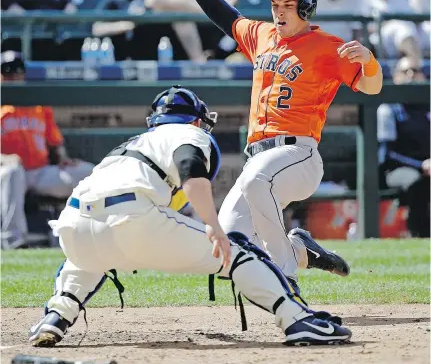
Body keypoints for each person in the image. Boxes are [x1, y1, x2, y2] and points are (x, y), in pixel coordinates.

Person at [28, 85, 352, 347]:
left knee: (88, 258)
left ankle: (56, 316)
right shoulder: (190, 133)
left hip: (73, 224)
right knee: (238, 255)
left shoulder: (131, 144)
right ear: (197, 120)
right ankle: (297, 320)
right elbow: (191, 169)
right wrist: (213, 227)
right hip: (134, 216)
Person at [172, 0, 382, 286]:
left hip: (298, 156)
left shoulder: (328, 47)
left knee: (257, 180)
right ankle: (301, 250)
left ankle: (287, 281)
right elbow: (227, 17)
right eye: (275, 3)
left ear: (305, 7)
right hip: (258, 159)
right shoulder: (262, 35)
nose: (279, 10)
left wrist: (370, 62)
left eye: (288, 4)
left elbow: (371, 88)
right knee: (230, 245)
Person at [1, 51, 94, 249]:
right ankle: (13, 241)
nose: (13, 75)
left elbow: (54, 141)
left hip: (39, 171)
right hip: (7, 171)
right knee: (12, 173)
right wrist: (4, 158)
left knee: (87, 173)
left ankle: (90, 235)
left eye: (18, 70)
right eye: (7, 70)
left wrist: (62, 158)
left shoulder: (38, 105)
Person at [377, 57, 430, 238]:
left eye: (415, 71)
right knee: (419, 183)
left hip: (428, 166)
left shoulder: (427, 108)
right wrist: (420, 165)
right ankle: (421, 235)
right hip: (398, 169)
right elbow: (387, 154)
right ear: (396, 77)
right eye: (405, 72)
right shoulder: (389, 109)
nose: (411, 76)